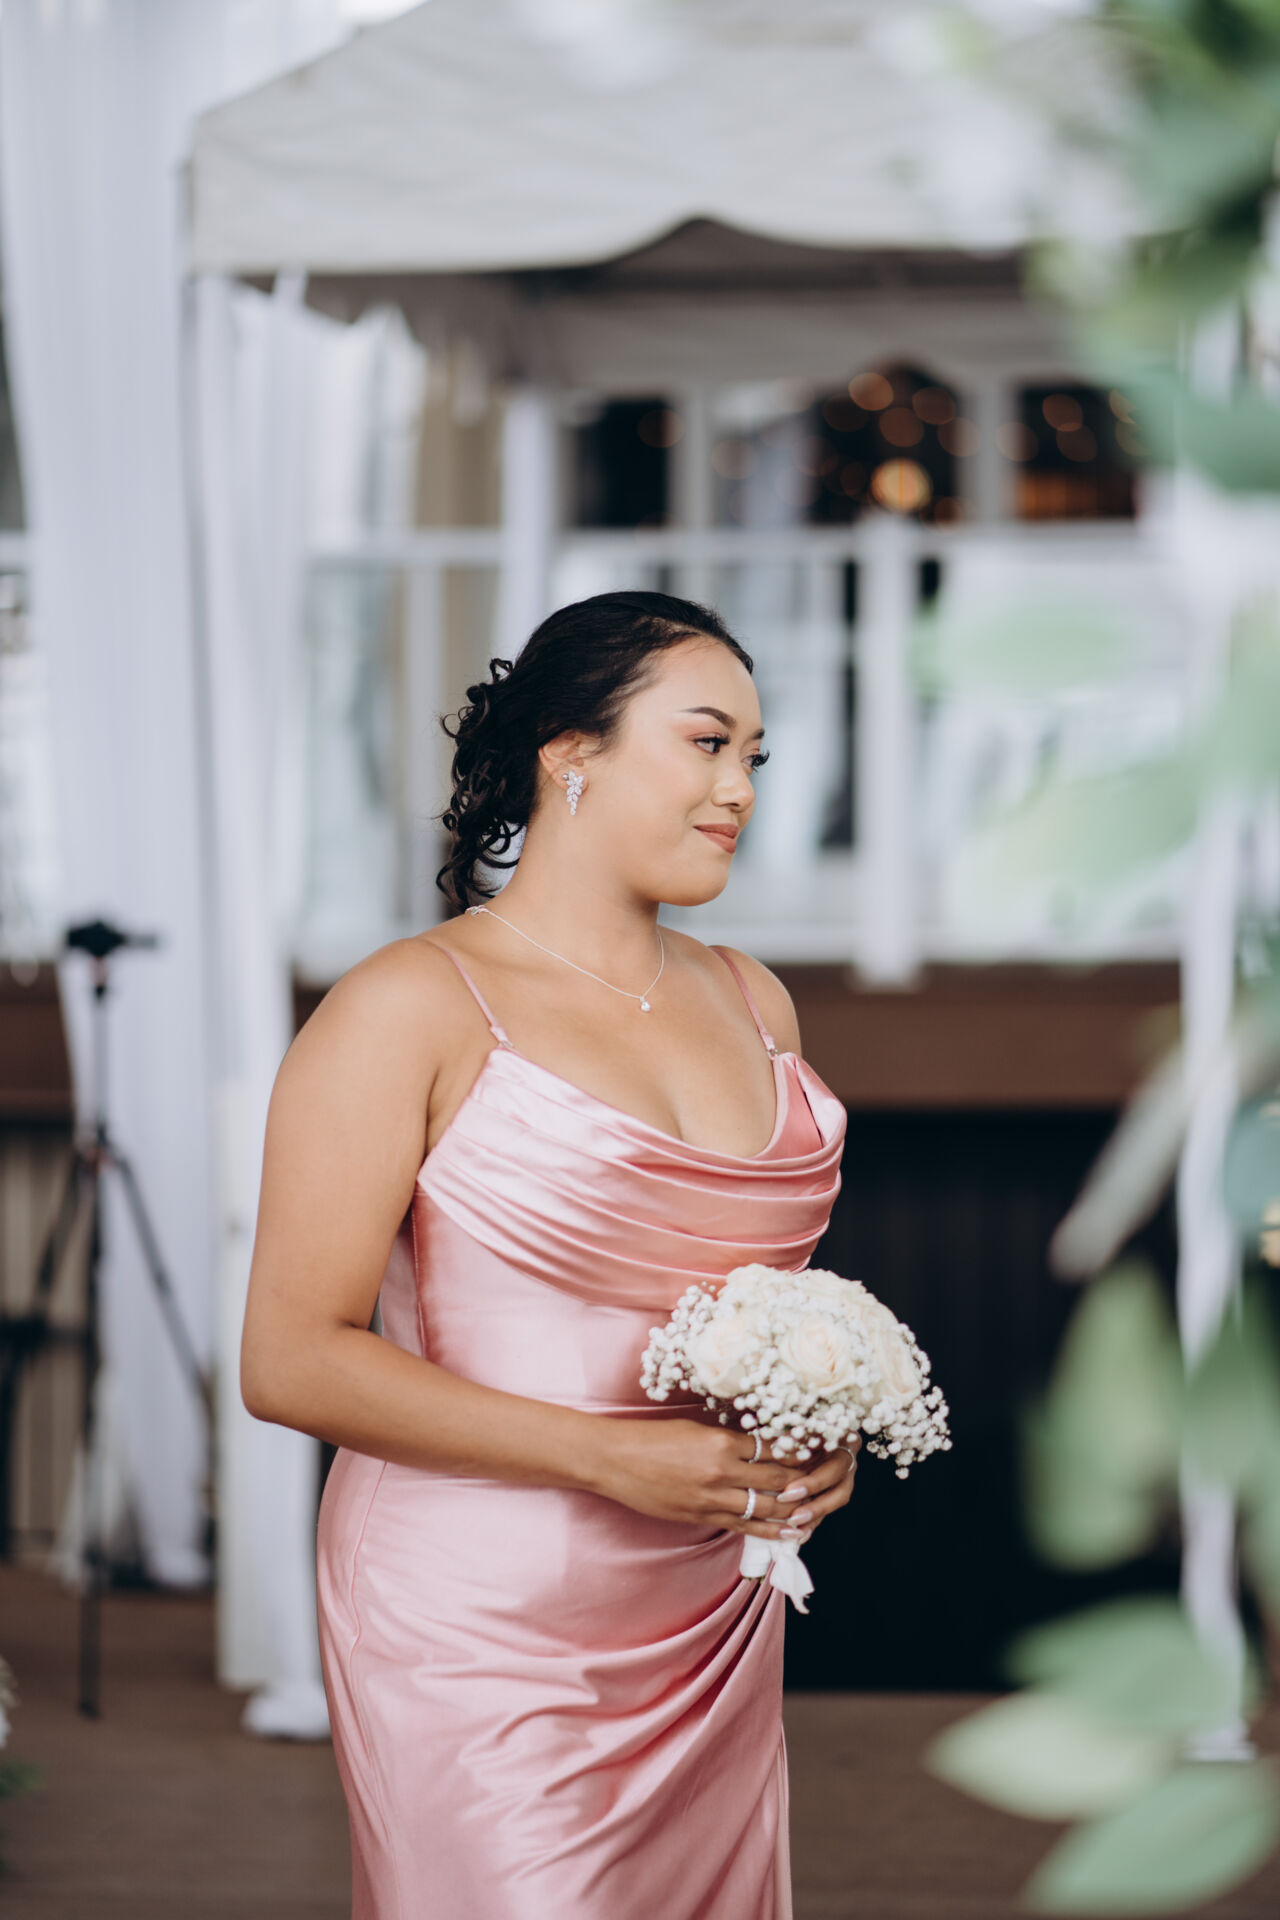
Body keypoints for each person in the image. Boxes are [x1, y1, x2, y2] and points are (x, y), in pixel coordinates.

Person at [240, 591, 855, 1918]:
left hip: (709, 1595)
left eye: (755, 755)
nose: (740, 789)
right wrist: (609, 1456)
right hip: (481, 1605)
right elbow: (289, 1361)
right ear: (571, 752)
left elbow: (755, 1308)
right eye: (707, 743)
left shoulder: (753, 998)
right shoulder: (407, 1006)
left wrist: (810, 1430)